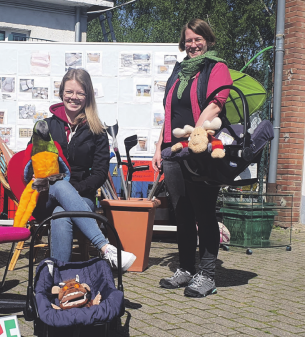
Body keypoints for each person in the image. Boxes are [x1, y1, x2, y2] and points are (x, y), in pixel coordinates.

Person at [151, 19, 233, 297]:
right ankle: (186, 269)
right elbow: (169, 111)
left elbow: (216, 103)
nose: (193, 44)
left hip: (201, 150)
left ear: (208, 40)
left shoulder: (216, 67)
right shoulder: (178, 71)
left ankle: (207, 275)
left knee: (203, 212)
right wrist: (157, 148)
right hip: (174, 151)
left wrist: (197, 133)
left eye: (198, 39)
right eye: (189, 39)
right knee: (182, 213)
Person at [32, 68, 136, 271]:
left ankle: (58, 277)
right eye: (69, 92)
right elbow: (33, 162)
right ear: (61, 92)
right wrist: (61, 187)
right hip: (46, 195)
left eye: (80, 93)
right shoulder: (45, 126)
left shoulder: (97, 131)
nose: (74, 97)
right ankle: (106, 247)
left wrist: (72, 192)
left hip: (83, 198)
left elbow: (99, 173)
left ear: (88, 96)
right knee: (60, 186)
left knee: (62, 213)